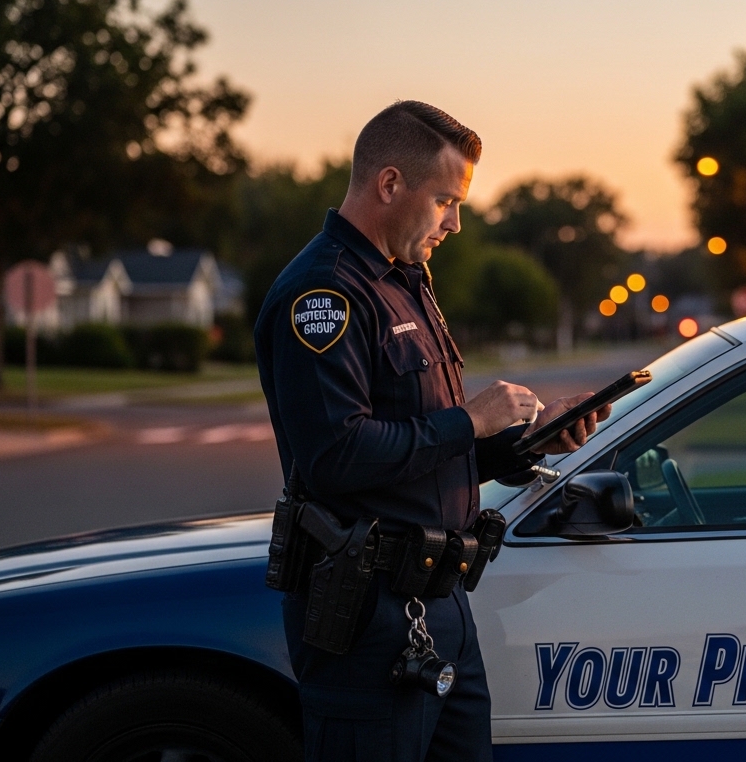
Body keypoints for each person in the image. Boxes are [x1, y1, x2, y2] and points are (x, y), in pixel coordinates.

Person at [253, 100, 607, 761]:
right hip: (367, 614)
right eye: (446, 201)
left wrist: (527, 440)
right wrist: (470, 419)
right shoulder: (325, 294)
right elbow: (337, 457)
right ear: (390, 184)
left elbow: (424, 447)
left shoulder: (407, 280)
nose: (455, 223)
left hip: (439, 598)